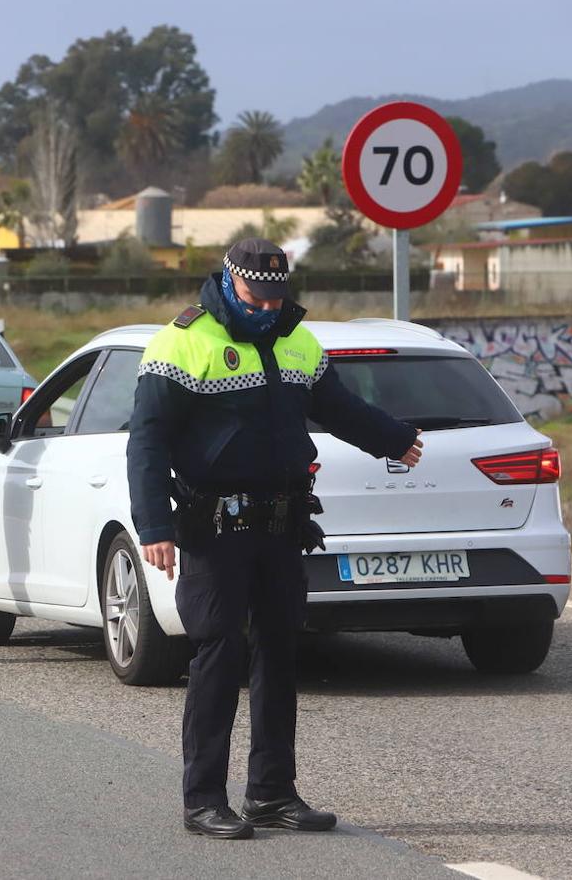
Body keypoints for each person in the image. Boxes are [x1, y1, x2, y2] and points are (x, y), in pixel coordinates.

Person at [127, 238, 424, 840]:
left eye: (275, 295)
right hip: (215, 527)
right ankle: (204, 798)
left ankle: (271, 793)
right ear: (230, 282)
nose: (266, 306)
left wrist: (393, 438)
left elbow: (336, 406)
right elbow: (148, 442)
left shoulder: (297, 340)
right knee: (218, 654)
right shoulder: (182, 342)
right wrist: (154, 526)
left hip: (282, 524)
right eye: (255, 296)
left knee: (279, 654)